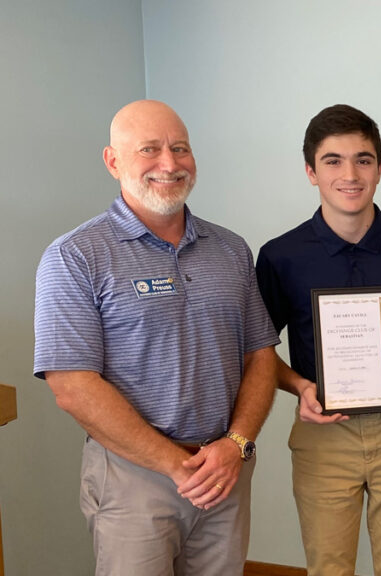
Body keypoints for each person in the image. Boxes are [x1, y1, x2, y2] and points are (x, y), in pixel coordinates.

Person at [33, 99, 280, 575]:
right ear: (113, 161)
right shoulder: (74, 257)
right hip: (133, 478)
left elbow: (260, 354)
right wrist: (173, 463)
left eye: (180, 149)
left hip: (223, 469)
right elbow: (72, 387)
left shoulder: (230, 249)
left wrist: (236, 444)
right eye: (149, 149)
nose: (169, 163)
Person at [255, 104, 381, 576]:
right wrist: (300, 387)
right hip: (323, 433)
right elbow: (259, 352)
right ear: (310, 172)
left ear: (379, 167)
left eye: (363, 159)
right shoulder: (280, 256)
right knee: (329, 568)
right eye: (333, 161)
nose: (350, 174)